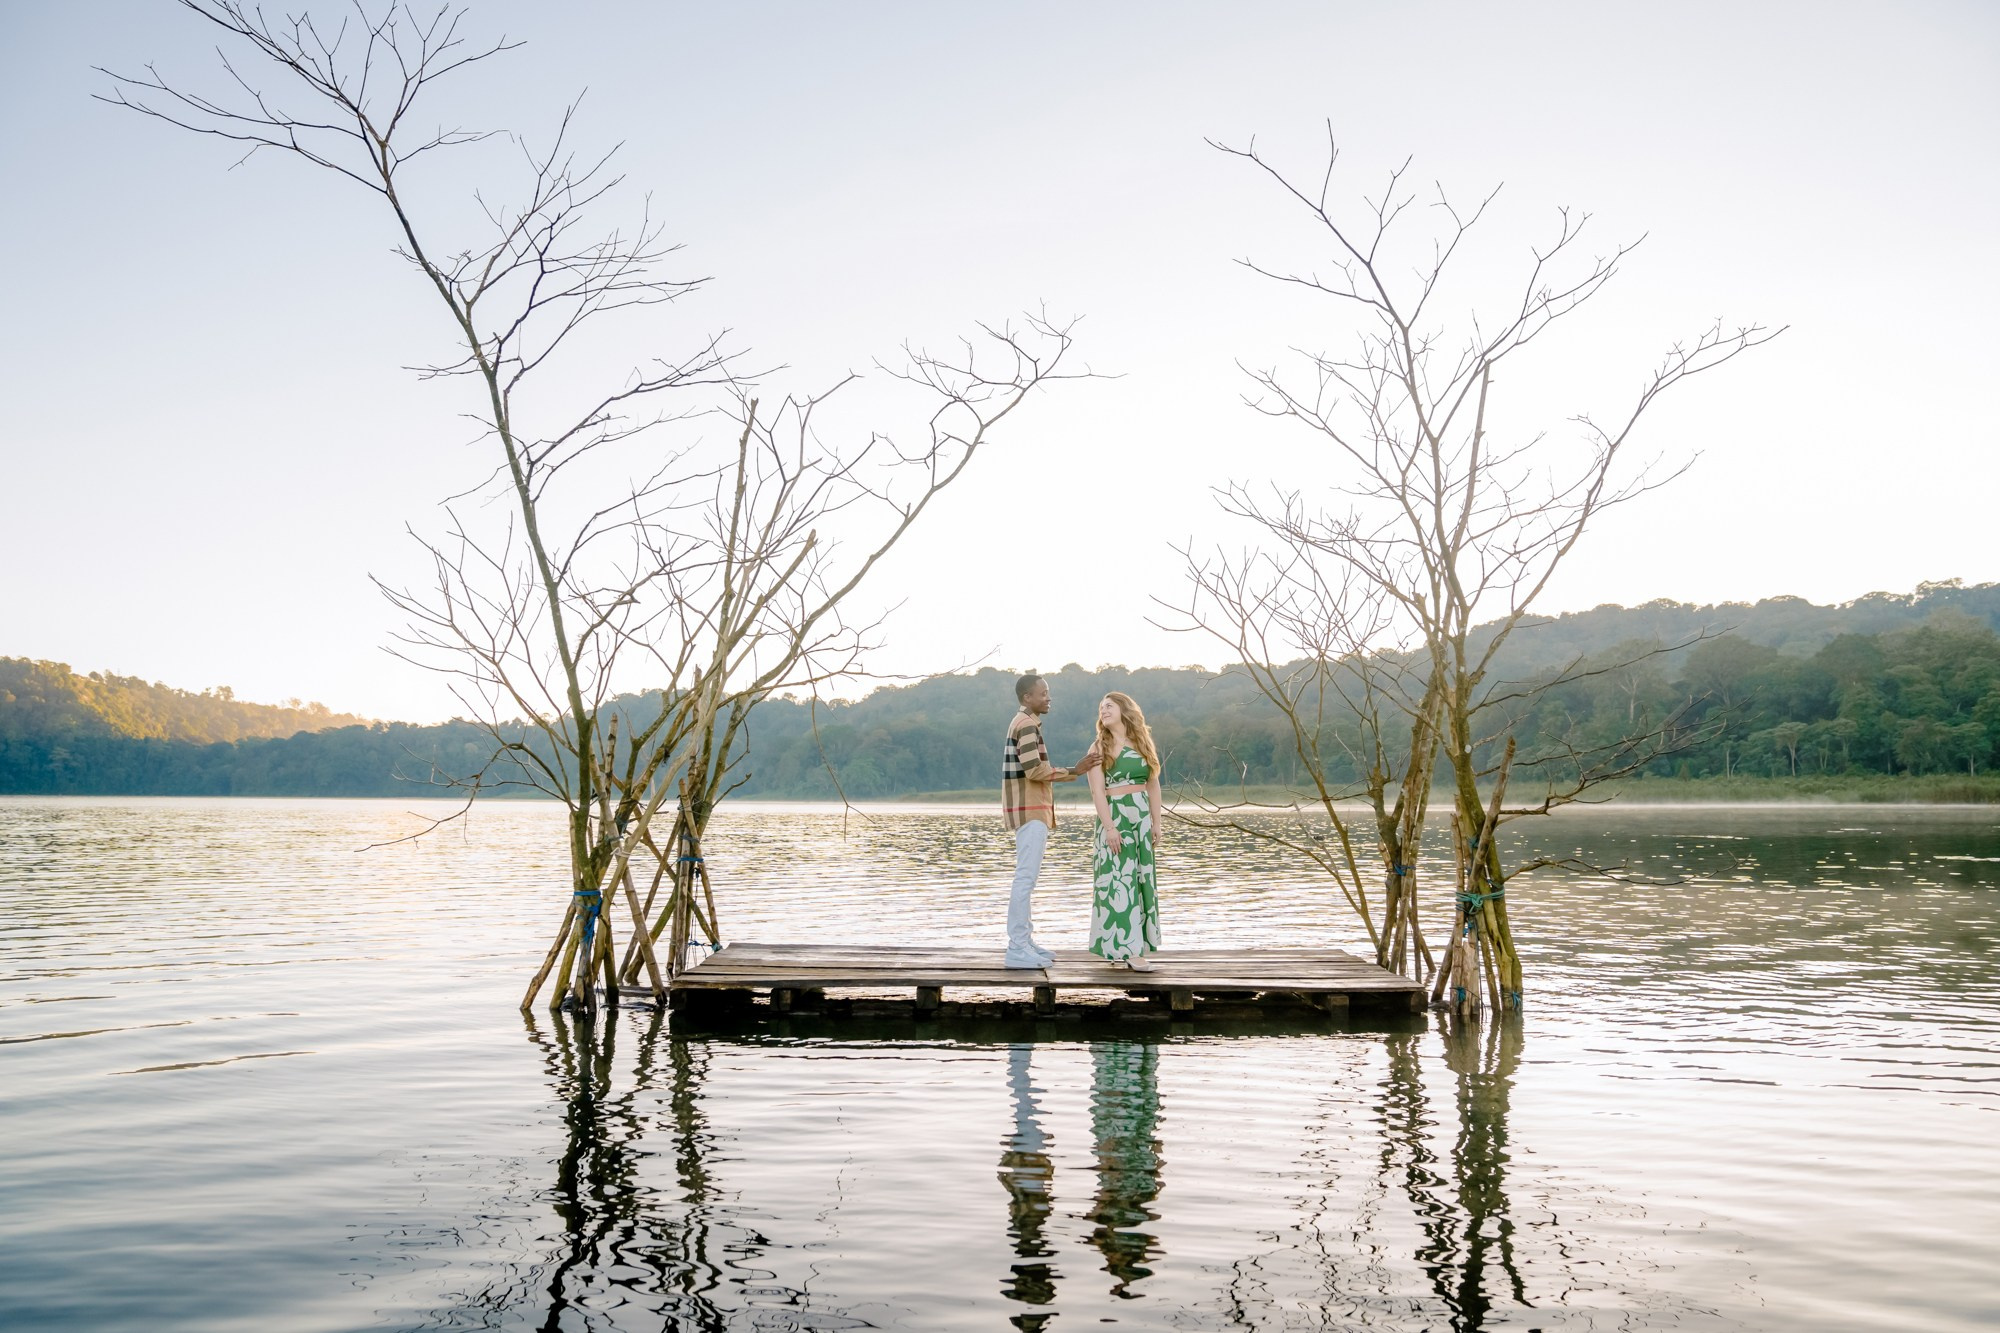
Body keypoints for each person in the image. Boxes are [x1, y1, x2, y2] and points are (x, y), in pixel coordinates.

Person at [1001, 671, 1097, 969]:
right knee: (1025, 878)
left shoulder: (1025, 723)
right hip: (1030, 809)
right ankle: (1017, 947)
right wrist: (1075, 770)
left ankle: (1025, 942)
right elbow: (1035, 771)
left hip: (1029, 809)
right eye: (1043, 693)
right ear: (1027, 697)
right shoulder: (1027, 725)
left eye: (1048, 692)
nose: (1048, 697)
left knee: (1026, 878)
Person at [1084, 691, 1163, 970]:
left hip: (1141, 819)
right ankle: (1127, 952)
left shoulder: (1142, 743)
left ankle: (1132, 947)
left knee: (1140, 881)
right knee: (1118, 882)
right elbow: (1097, 791)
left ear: (1124, 709)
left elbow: (1152, 784)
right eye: (1101, 707)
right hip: (1115, 819)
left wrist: (1157, 822)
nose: (1103, 711)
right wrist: (1110, 828)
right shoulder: (1098, 748)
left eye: (1109, 706)